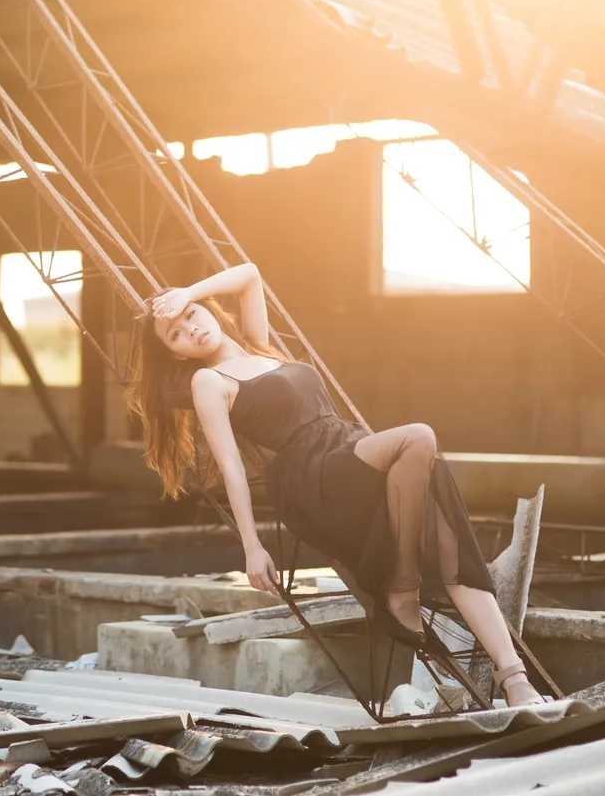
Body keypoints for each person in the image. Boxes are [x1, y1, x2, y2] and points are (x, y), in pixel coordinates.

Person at [125, 263, 544, 708]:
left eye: (191, 314)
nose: (191, 330)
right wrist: (252, 546)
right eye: (176, 335)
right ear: (176, 355)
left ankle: (514, 678)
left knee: (448, 537)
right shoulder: (208, 381)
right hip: (311, 474)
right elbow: (230, 468)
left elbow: (249, 274)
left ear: (206, 306)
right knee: (419, 437)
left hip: (347, 448)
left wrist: (186, 288)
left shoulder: (258, 345)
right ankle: (403, 586)